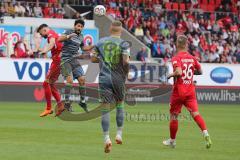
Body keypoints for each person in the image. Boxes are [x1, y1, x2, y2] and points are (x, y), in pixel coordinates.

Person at [163, 35, 212, 149]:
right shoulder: (192, 58)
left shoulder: (176, 58)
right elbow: (200, 71)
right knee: (196, 114)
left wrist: (170, 75)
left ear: (176, 45)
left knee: (174, 116)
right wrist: (189, 72)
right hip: (190, 91)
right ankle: (205, 133)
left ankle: (172, 141)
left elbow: (179, 72)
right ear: (186, 45)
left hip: (179, 91)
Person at [91, 21, 130, 153]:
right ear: (121, 30)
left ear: (110, 29)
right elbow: (125, 61)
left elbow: (93, 59)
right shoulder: (124, 44)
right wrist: (127, 73)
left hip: (104, 78)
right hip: (118, 79)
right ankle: (119, 134)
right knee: (120, 105)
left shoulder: (100, 42)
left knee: (105, 109)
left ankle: (107, 138)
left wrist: (102, 59)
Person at [58, 19, 94, 112]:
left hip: (74, 60)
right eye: (78, 26)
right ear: (74, 26)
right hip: (65, 60)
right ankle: (66, 104)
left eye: (81, 27)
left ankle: (82, 102)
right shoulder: (68, 32)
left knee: (82, 80)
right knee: (69, 80)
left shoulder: (81, 36)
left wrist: (93, 46)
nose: (79, 28)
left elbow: (84, 48)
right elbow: (59, 39)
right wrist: (69, 36)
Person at [37, 24, 64, 117]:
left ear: (44, 30)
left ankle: (48, 108)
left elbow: (52, 43)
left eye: (41, 34)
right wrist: (45, 49)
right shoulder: (54, 34)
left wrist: (45, 51)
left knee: (46, 83)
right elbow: (52, 44)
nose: (42, 36)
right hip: (60, 61)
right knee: (51, 84)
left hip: (58, 61)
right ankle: (60, 106)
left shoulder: (50, 34)